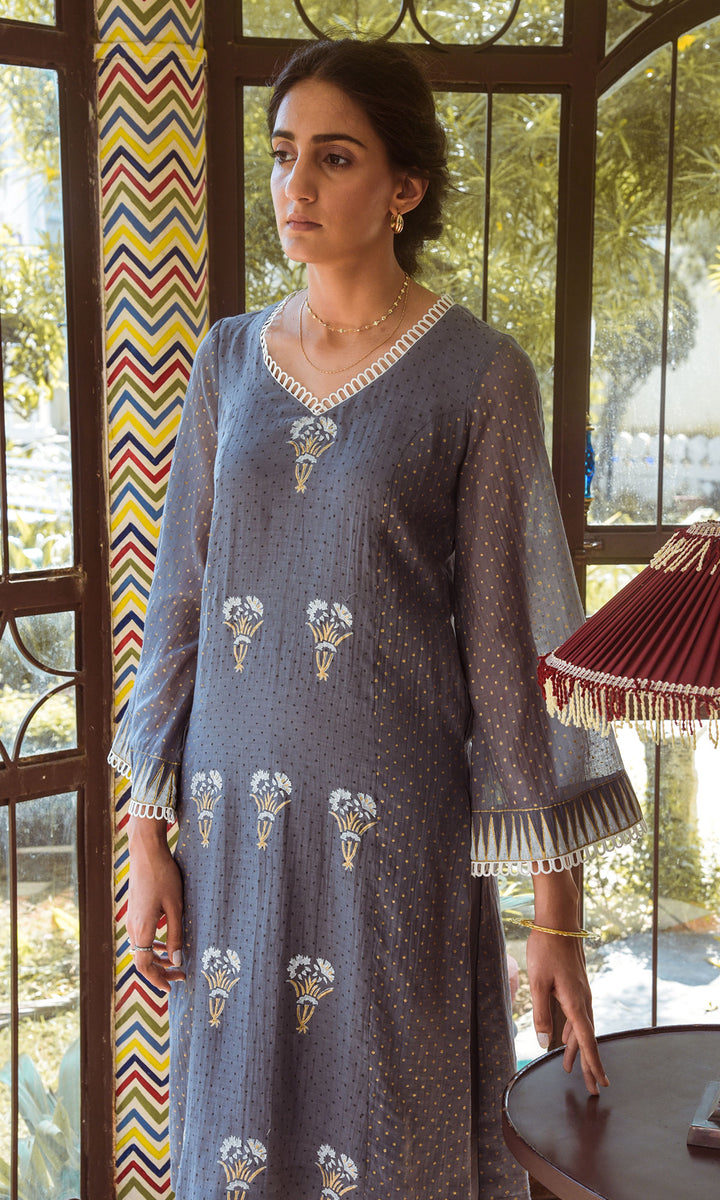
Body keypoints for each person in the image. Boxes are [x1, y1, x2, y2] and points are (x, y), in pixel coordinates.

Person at [110, 37, 644, 1200]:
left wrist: (555, 915)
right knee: (237, 1140)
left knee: (394, 1141)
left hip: (391, 835)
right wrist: (146, 837)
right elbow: (182, 600)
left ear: (405, 185)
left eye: (334, 157)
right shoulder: (229, 362)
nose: (295, 185)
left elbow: (511, 648)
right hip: (232, 837)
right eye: (283, 154)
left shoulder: (478, 376)